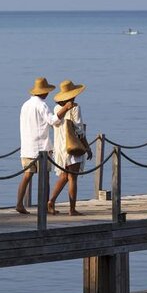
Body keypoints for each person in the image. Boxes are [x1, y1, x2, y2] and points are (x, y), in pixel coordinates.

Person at [16, 77, 74, 215]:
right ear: (44, 92)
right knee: (45, 178)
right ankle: (44, 205)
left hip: (27, 146)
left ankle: (19, 204)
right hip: (42, 147)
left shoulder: (25, 105)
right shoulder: (42, 105)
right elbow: (52, 120)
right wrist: (65, 108)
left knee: (27, 176)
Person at [49, 80, 91, 216]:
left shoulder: (57, 109)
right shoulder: (75, 108)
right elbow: (79, 130)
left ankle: (51, 201)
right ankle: (72, 209)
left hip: (60, 147)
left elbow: (53, 123)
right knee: (73, 178)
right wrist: (87, 147)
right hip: (72, 146)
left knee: (64, 175)